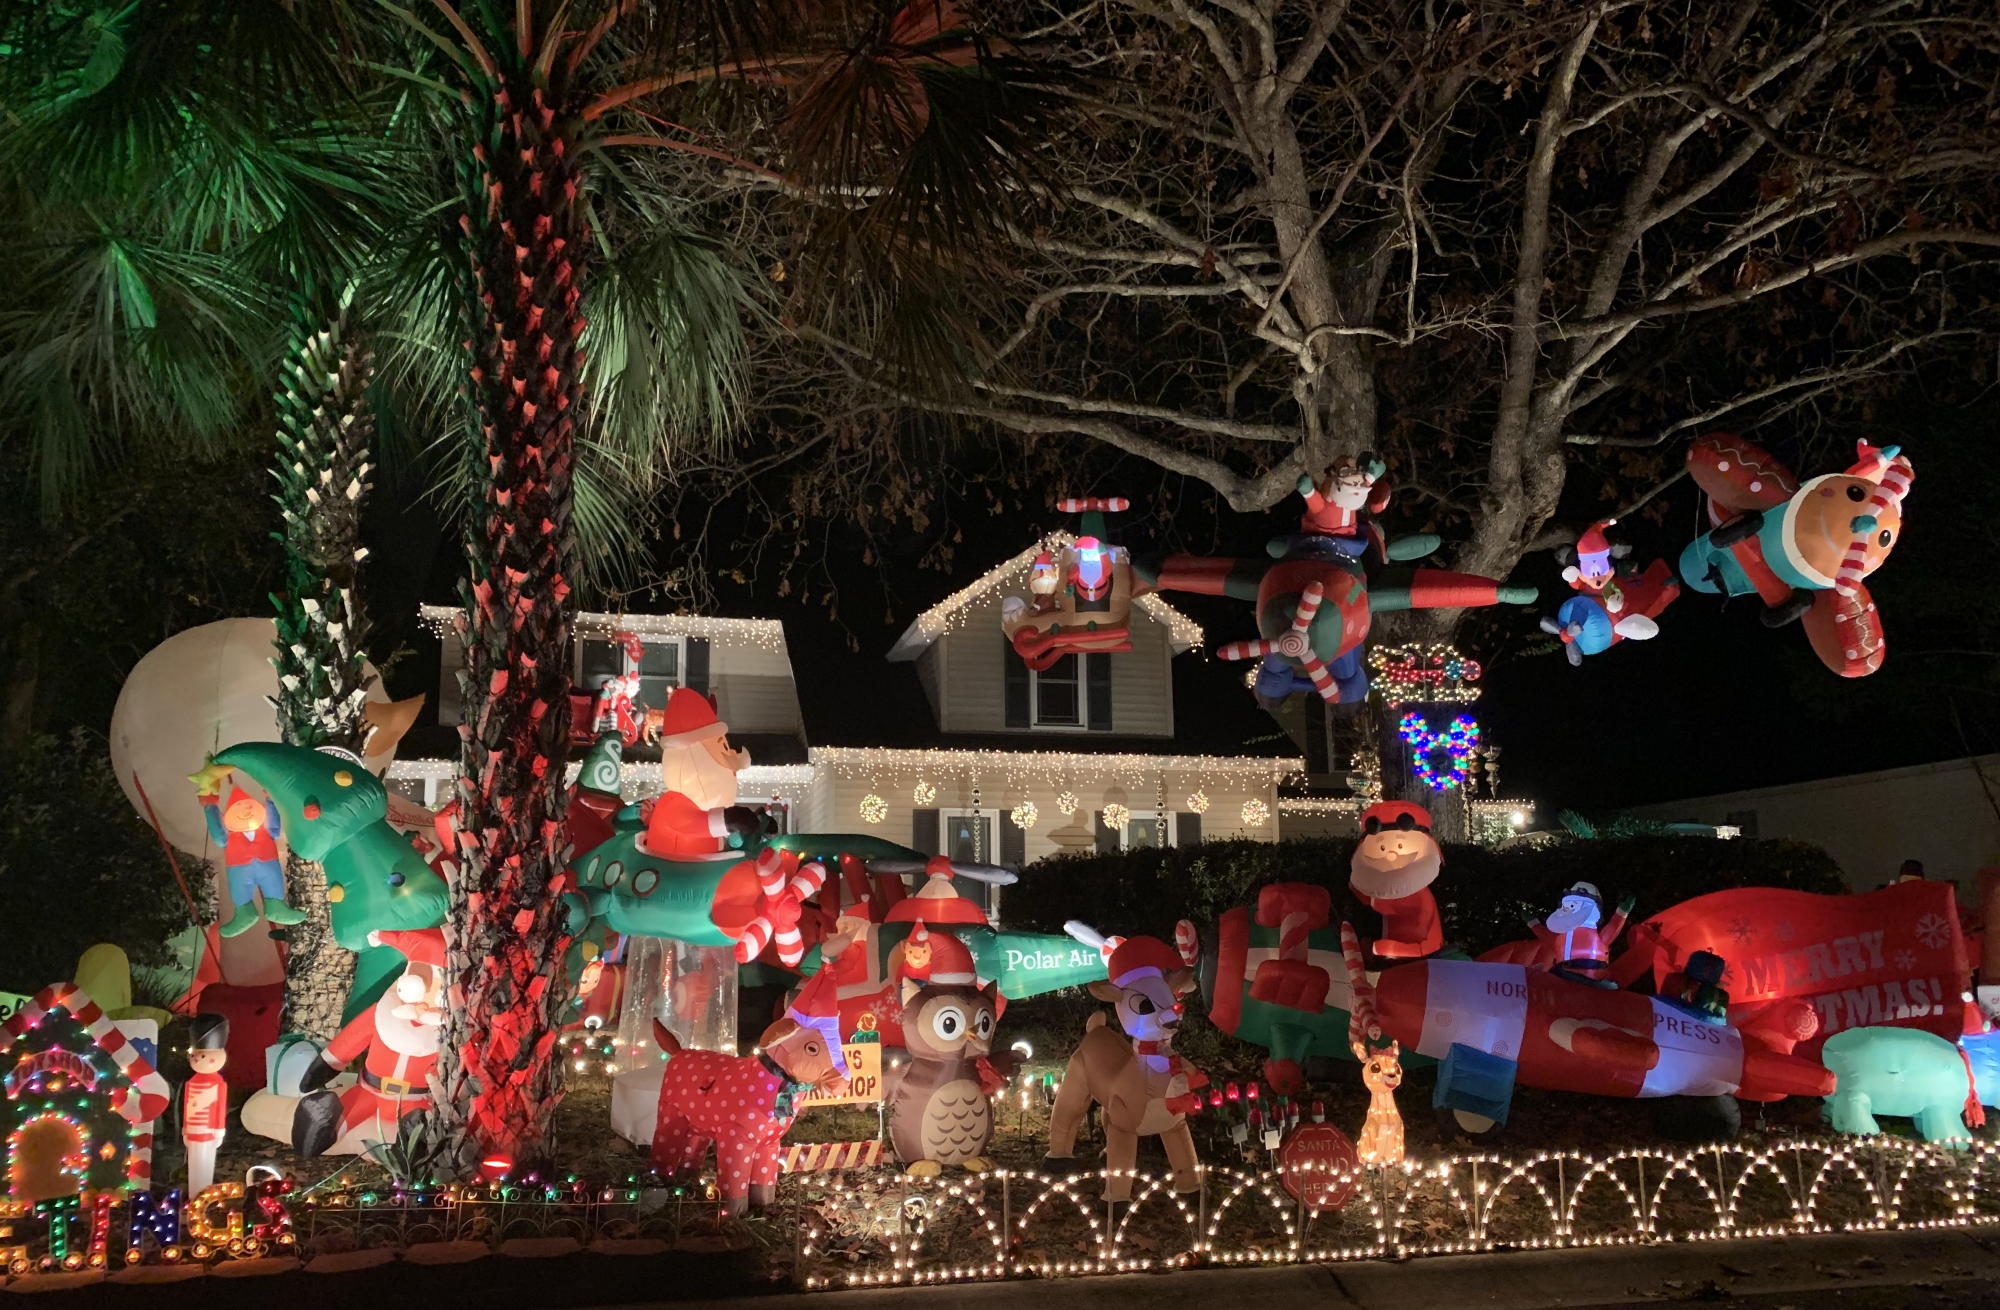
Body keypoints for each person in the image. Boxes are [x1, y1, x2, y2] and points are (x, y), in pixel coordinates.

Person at [182, 1014, 229, 1194]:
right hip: (193, 1131)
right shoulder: (191, 1083)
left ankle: (203, 1195)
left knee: (206, 1162)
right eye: (195, 1056)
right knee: (194, 1164)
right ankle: (195, 1196)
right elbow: (187, 1105)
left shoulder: (219, 1084)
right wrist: (185, 1129)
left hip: (209, 1132)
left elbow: (219, 1109)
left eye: (203, 1056)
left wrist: (219, 1130)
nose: (198, 1060)